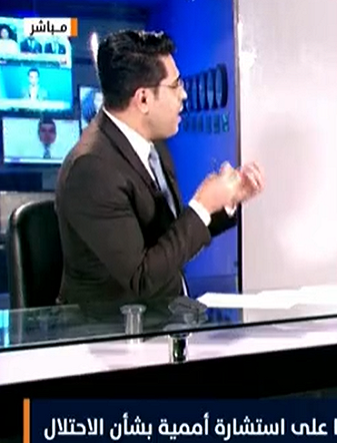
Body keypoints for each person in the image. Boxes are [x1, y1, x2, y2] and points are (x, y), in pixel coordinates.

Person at [55, 30, 264, 306]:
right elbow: (141, 279)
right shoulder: (91, 169)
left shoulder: (154, 144)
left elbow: (169, 243)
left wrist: (225, 201)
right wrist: (202, 205)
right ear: (143, 99)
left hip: (166, 317)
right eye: (175, 85)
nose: (184, 94)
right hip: (115, 327)